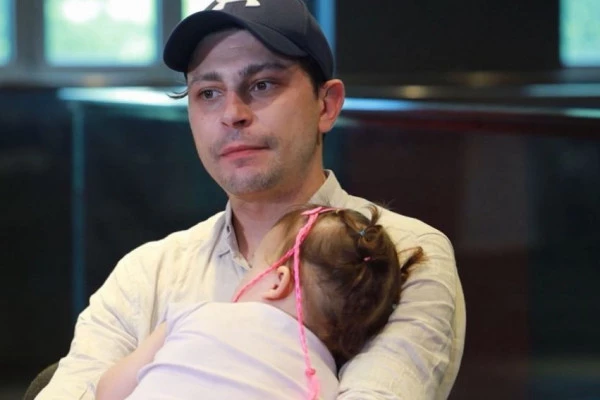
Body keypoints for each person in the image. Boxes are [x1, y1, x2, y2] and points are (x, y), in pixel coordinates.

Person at [37, 0, 466, 398]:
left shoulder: (401, 256)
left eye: (262, 85)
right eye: (208, 93)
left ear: (326, 105)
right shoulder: (150, 272)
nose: (232, 114)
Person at [95, 204, 424, 400]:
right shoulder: (326, 384)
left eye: (253, 267)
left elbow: (108, 392)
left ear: (278, 282)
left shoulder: (197, 314)